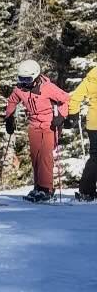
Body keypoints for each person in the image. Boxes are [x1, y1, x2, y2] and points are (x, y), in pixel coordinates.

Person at [4, 59, 69, 202]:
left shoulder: (48, 88)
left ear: (35, 76)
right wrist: (9, 117)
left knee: (45, 155)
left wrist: (62, 116)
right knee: (35, 157)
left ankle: (46, 189)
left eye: (27, 79)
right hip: (34, 125)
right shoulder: (20, 89)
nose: (24, 82)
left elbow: (65, 99)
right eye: (21, 79)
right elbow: (12, 101)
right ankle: (38, 187)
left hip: (50, 125)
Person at [62, 65, 97, 202]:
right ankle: (86, 191)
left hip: (93, 124)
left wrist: (73, 113)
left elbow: (76, 96)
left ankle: (86, 190)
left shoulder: (91, 78)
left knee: (95, 157)